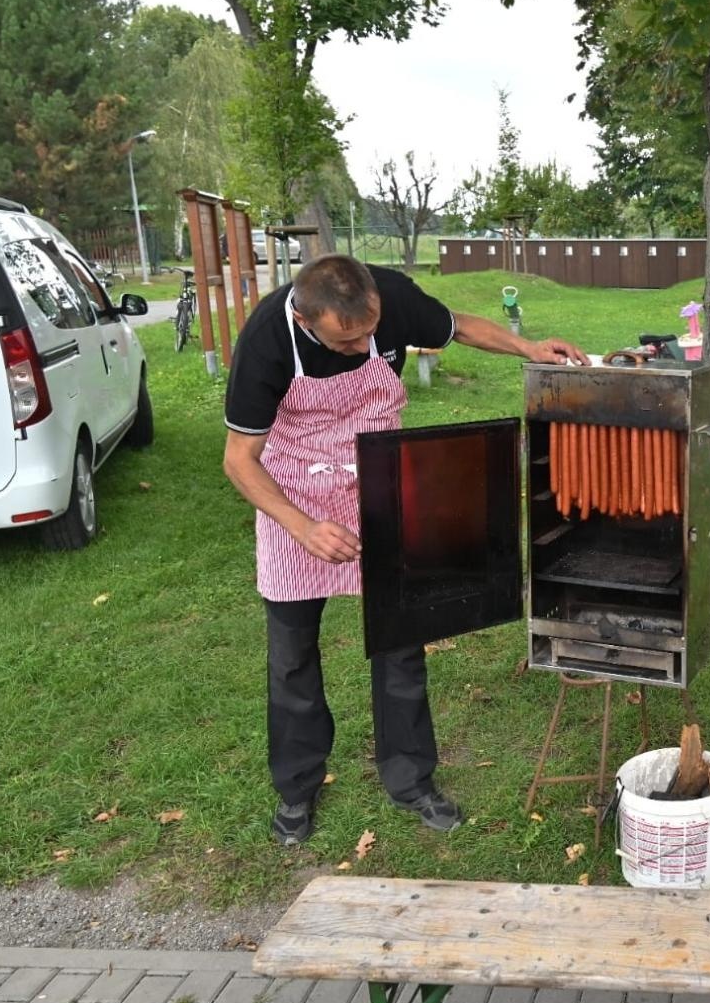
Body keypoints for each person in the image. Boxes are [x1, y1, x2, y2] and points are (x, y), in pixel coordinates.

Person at [222, 255, 587, 845]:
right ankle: (297, 789)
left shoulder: (387, 297)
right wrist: (302, 526)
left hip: (382, 490)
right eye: (349, 338)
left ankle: (411, 780)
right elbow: (239, 460)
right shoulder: (267, 340)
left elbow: (460, 325)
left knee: (401, 645)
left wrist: (528, 347)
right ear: (306, 318)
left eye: (370, 330)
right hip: (296, 498)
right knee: (292, 658)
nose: (366, 342)